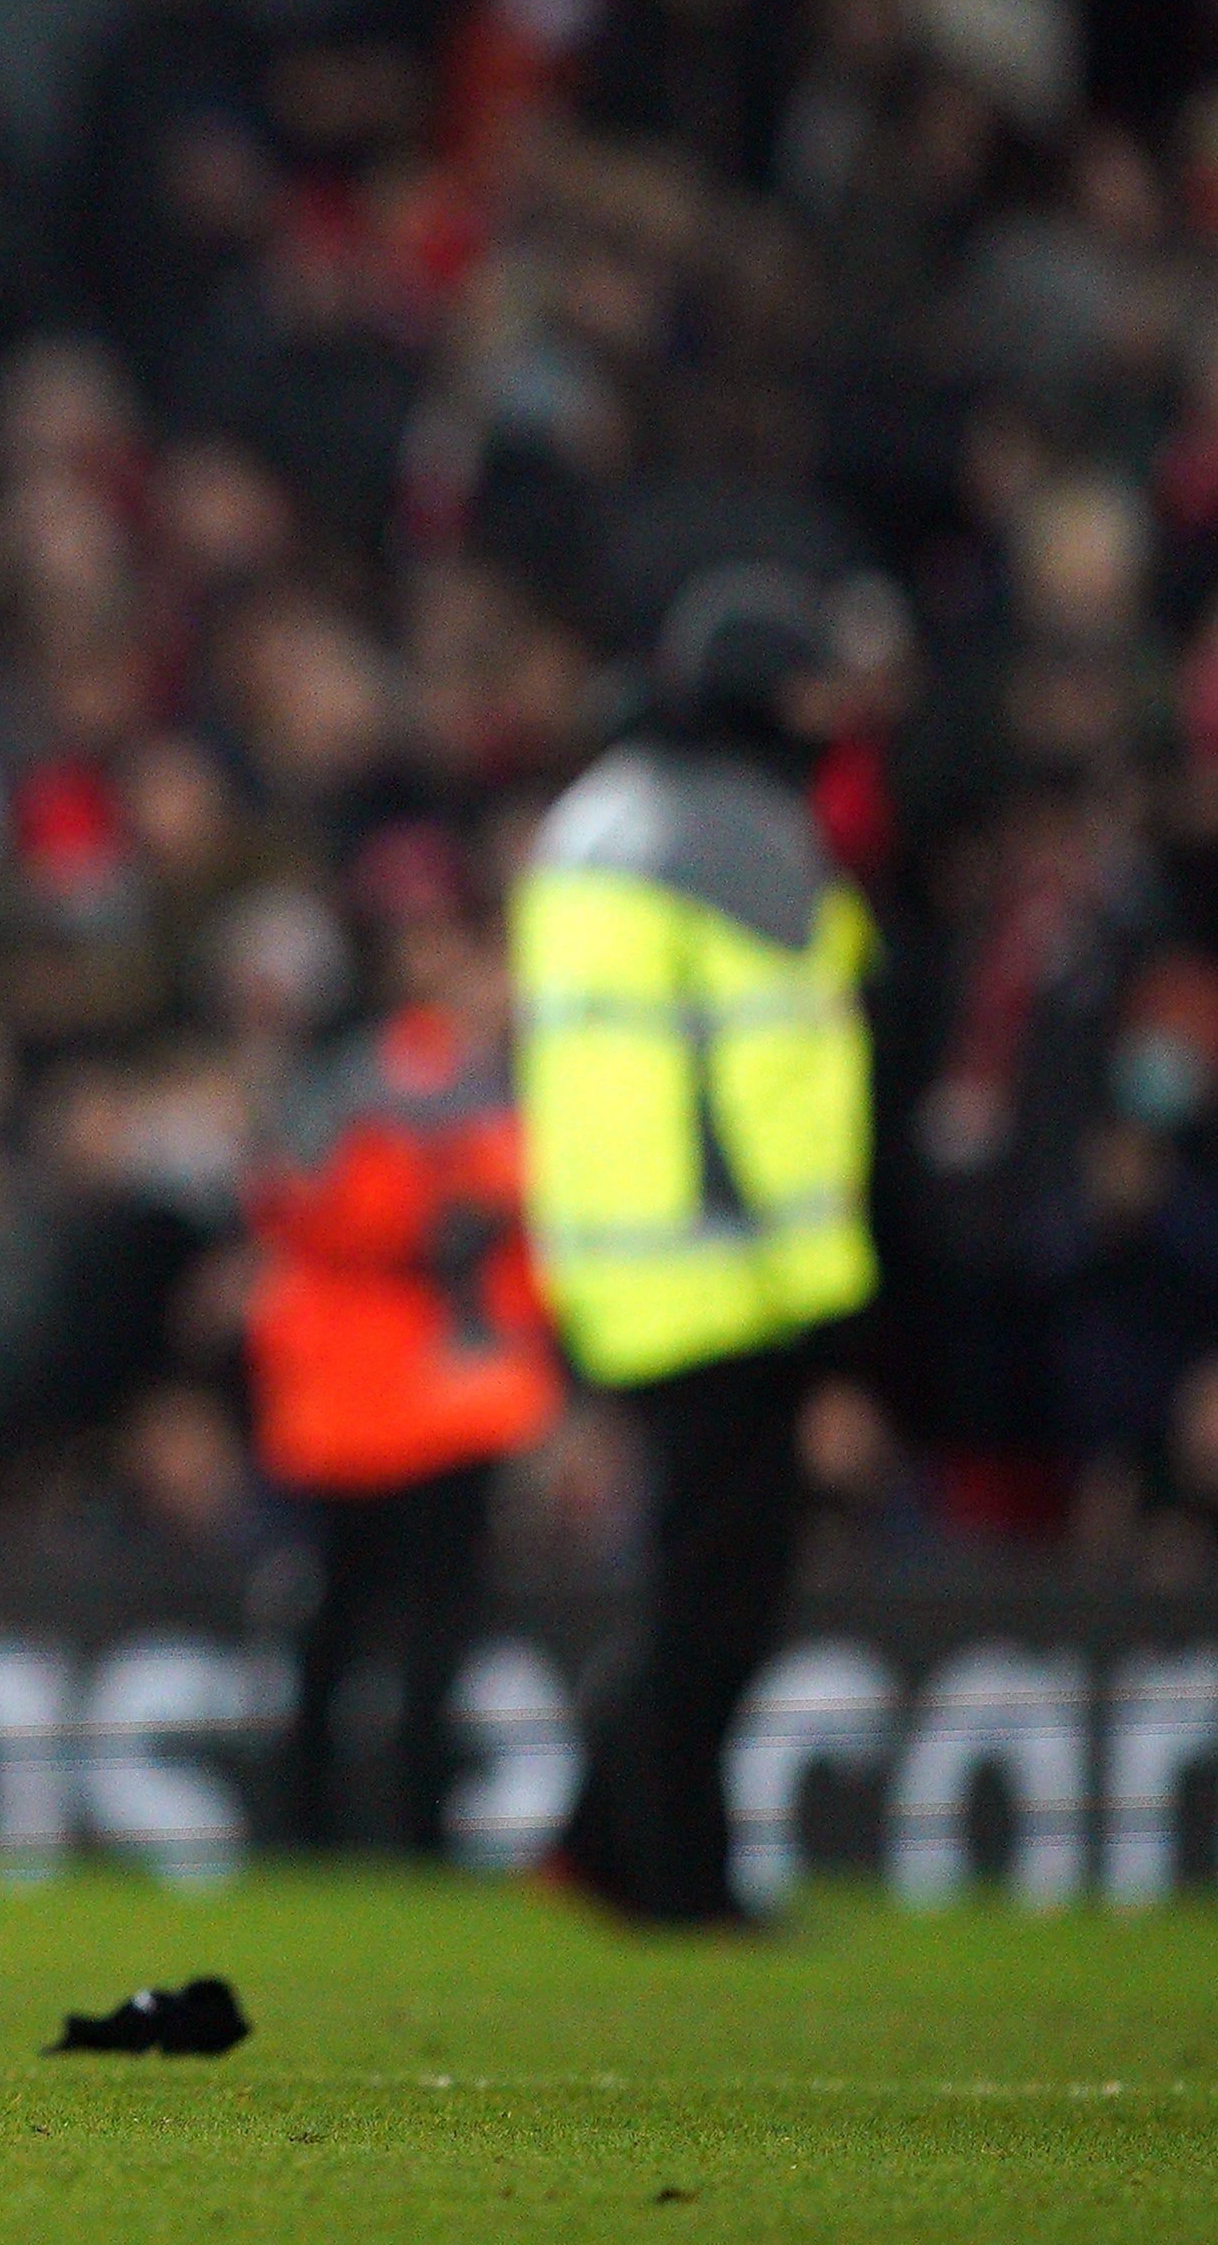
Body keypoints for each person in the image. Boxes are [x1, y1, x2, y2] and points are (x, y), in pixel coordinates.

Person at [515, 567, 876, 1926]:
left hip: (609, 1263)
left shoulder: (592, 820)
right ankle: (675, 1876)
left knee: (685, 1575)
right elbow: (776, 1093)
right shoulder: (742, 836)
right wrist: (826, 1311)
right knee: (719, 1598)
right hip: (729, 1275)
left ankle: (599, 1835)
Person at [244, 826, 559, 1856]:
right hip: (384, 1393)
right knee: (377, 1623)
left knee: (395, 1626)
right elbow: (306, 1203)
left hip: (432, 1392)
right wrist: (450, 1204)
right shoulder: (392, 1072)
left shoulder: (483, 1072)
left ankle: (348, 1824)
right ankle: (340, 1823)